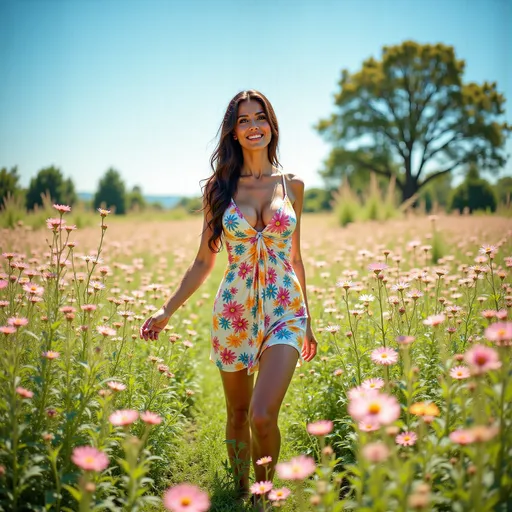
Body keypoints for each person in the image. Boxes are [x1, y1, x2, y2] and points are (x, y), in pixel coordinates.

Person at [140, 89, 318, 508]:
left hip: (285, 311)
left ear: (272, 126)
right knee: (237, 414)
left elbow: (296, 256)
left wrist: (307, 319)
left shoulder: (293, 185)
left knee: (261, 414)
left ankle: (263, 496)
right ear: (234, 132)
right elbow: (203, 261)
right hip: (235, 311)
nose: (253, 126)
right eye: (244, 120)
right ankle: (239, 493)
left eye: (261, 118)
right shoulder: (218, 189)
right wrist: (167, 309)